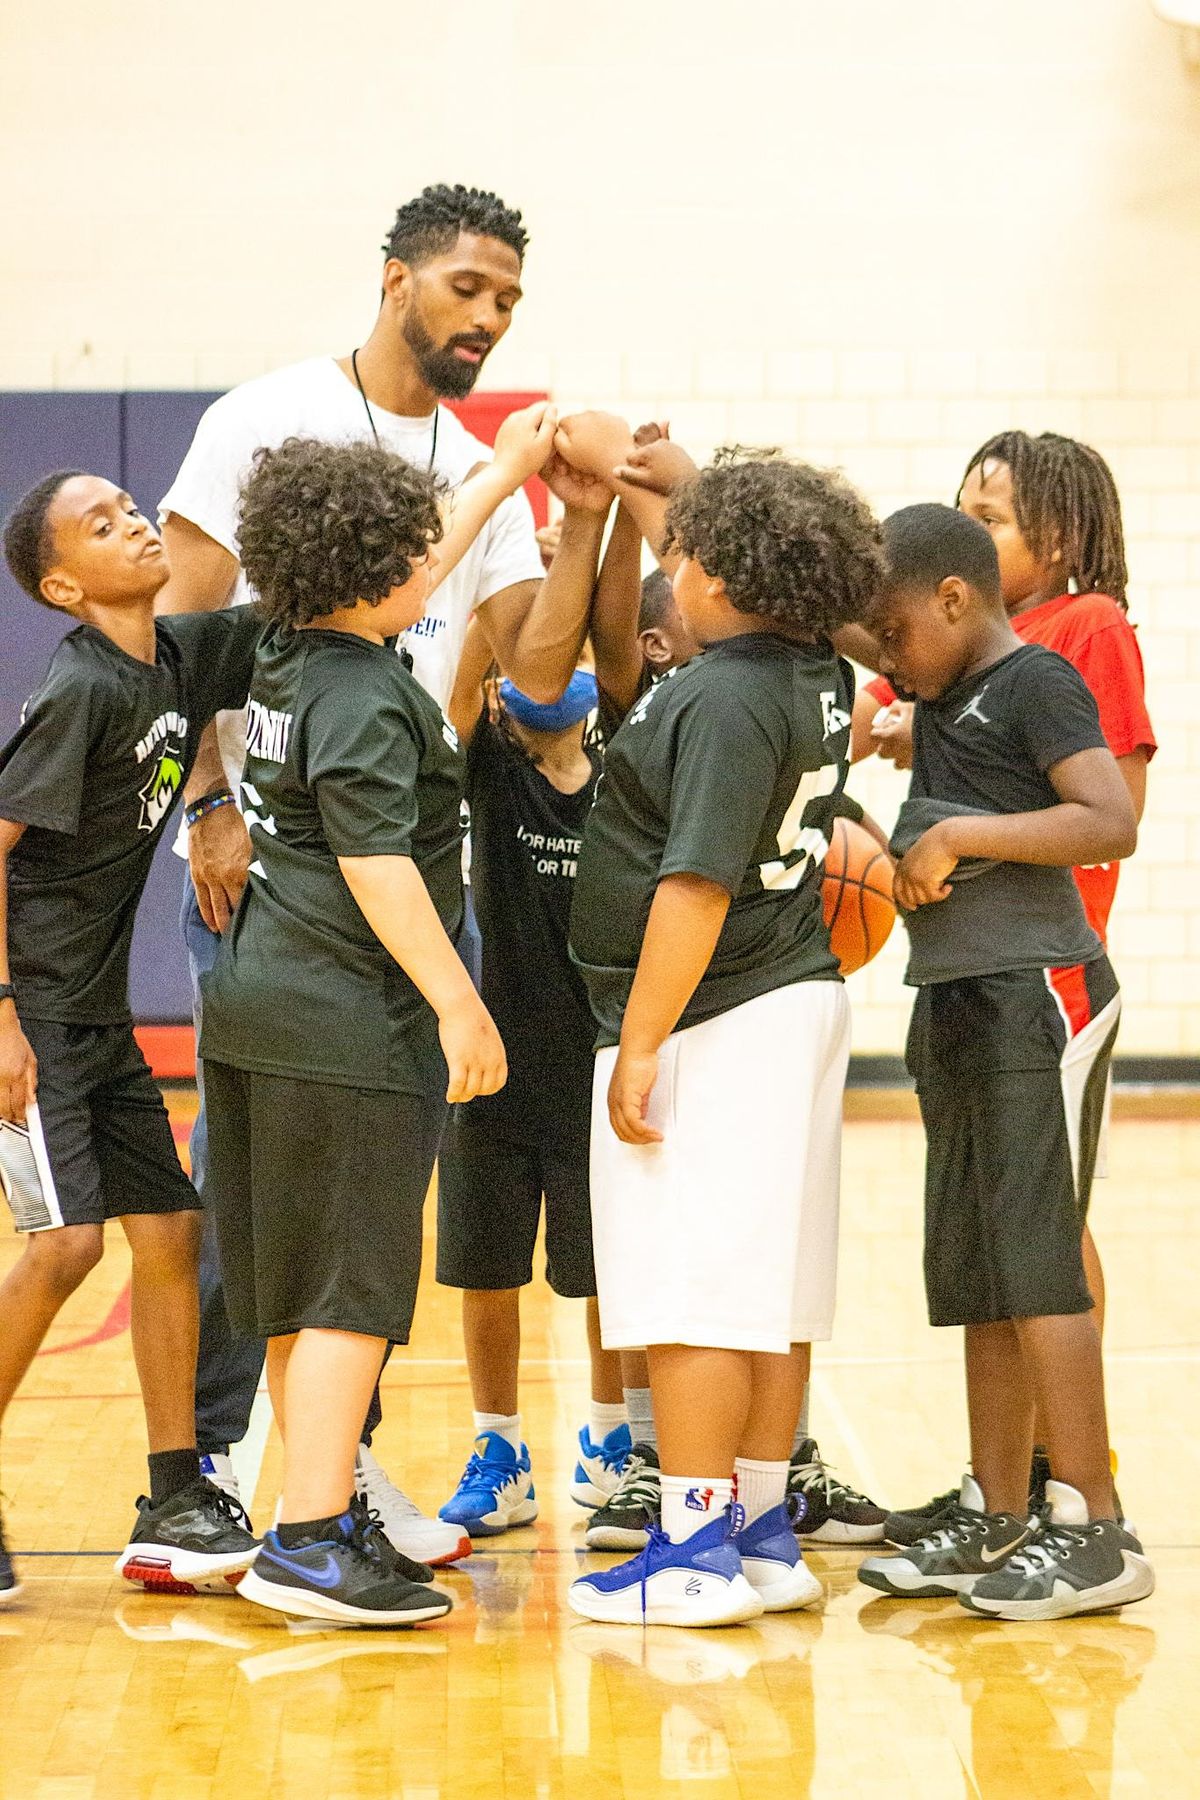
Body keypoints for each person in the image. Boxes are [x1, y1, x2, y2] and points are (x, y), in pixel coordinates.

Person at [155, 184, 605, 1563]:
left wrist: (571, 515)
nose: (487, 315)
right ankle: (215, 1481)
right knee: (281, 1197)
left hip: (405, 863)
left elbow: (525, 664)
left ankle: (319, 1475)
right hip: (290, 866)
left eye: (510, 301)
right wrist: (214, 804)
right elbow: (184, 636)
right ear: (399, 273)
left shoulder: (469, 478)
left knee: (345, 1197)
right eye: (467, 286)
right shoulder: (258, 418)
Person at [563, 448, 885, 1628]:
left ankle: (692, 1549)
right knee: (770, 1291)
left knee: (695, 1291)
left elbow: (692, 887)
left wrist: (641, 1041)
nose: (673, 566)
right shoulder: (810, 671)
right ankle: (758, 1533)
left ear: (731, 578)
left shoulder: (719, 696)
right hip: (791, 996)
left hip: (715, 1009)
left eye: (685, 552)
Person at [200, 436, 513, 1626]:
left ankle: (313, 1508)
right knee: (348, 1292)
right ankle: (311, 1540)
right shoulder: (367, 692)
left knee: (294, 1286)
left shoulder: (289, 650)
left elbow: (425, 535)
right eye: (414, 552)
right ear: (371, 567)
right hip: (350, 1021)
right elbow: (380, 865)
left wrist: (510, 462)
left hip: (257, 1005)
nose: (432, 564)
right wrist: (459, 1001)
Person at [851, 433, 1156, 1546]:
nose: (884, 654)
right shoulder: (943, 687)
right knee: (981, 1268)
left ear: (949, 597)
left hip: (1041, 989)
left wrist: (960, 835)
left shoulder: (1044, 671)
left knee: (1041, 1267)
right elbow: (853, 619)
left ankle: (1092, 1520)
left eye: (895, 633)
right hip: (958, 997)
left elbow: (1110, 819)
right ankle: (1000, 1505)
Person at [0, 472, 261, 1604]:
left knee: (172, 1229)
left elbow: (315, 605)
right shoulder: (82, 691)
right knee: (66, 1247)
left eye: (130, 507)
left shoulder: (181, 658)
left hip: (97, 1013)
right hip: (37, 1012)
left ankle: (173, 1488)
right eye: (101, 525)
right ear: (64, 584)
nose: (135, 522)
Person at [435, 619, 633, 1536]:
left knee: (604, 1276)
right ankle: (499, 1450)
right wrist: (497, 607)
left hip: (594, 1064)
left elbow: (622, 647)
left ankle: (609, 1441)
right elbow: (469, 675)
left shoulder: (626, 777)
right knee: (487, 1270)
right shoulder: (488, 771)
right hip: (489, 1065)